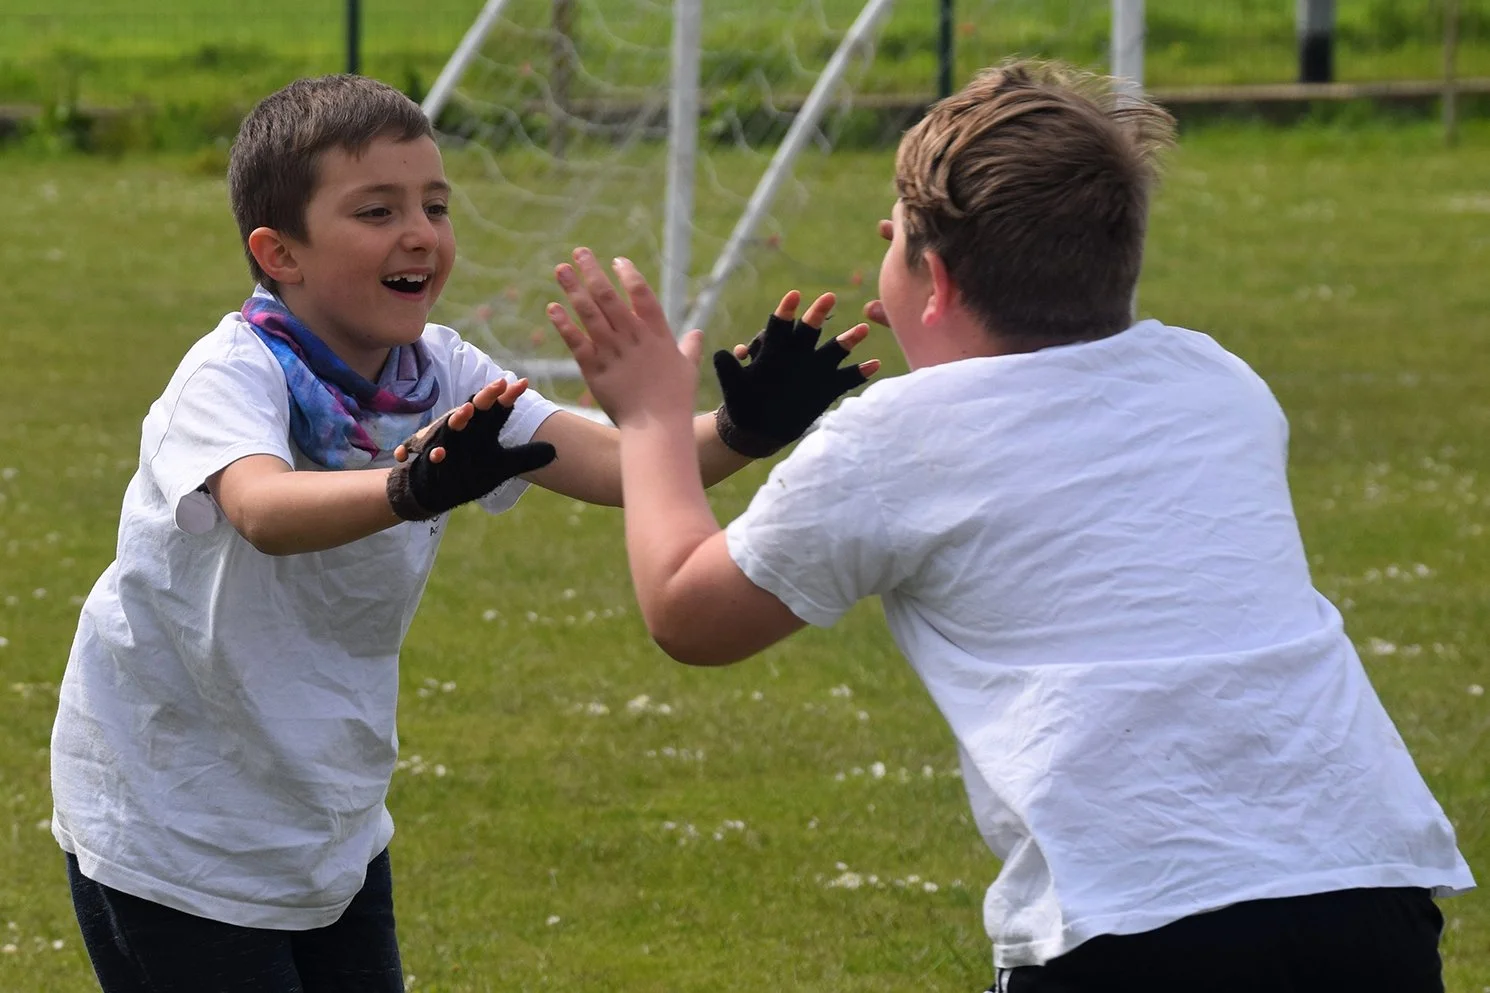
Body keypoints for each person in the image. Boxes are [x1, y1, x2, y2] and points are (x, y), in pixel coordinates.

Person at [545, 60, 1476, 992]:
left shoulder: (894, 439)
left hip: (1131, 922)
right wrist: (940, 316)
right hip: (1367, 886)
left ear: (937, 282)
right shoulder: (1221, 382)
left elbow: (689, 611)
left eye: (896, 240)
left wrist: (653, 416)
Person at [49, 73, 874, 993]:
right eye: (377, 210)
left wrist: (740, 430)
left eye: (434, 206)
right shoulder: (232, 373)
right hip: (169, 818)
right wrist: (405, 488)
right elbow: (262, 510)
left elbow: (615, 465)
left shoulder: (442, 372)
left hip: (324, 813)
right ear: (279, 252)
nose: (420, 234)